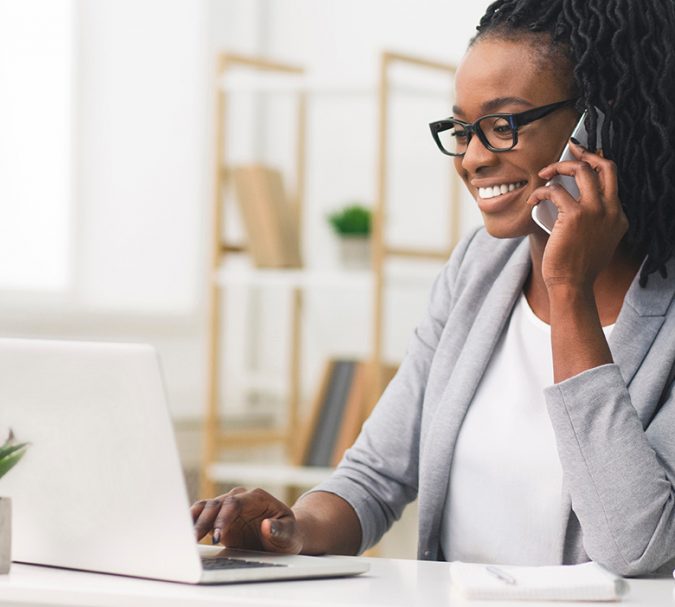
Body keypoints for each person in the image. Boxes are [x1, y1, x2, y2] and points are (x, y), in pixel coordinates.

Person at [192, 0, 675, 576]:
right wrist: (289, 531)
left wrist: (568, 289)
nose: (471, 158)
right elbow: (375, 475)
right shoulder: (479, 267)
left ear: (601, 119)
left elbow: (638, 545)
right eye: (463, 130)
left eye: (502, 126)